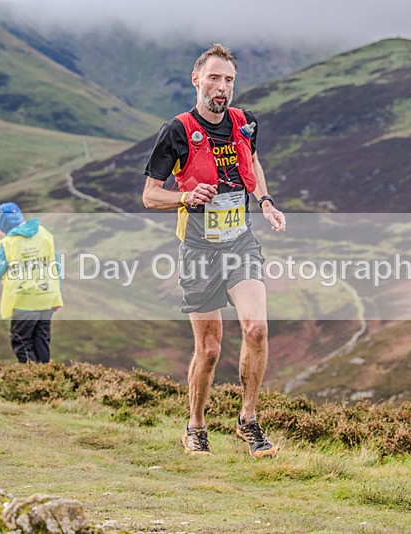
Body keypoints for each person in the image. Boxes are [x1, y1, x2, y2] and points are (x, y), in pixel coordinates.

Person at [142, 44, 286, 458]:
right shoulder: (177, 131)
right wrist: (185, 195)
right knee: (208, 350)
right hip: (199, 250)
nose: (221, 88)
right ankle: (196, 426)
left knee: (256, 329)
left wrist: (266, 200)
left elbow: (252, 164)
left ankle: (249, 421)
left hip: (240, 244)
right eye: (214, 78)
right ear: (196, 80)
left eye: (228, 80)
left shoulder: (246, 122)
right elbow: (150, 196)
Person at [0, 203, 63, 364]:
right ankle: (48, 380)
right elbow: (55, 266)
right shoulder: (44, 234)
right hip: (47, 299)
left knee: (21, 341)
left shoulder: (8, 244)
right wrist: (58, 297)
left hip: (24, 301)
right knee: (41, 340)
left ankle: (32, 381)